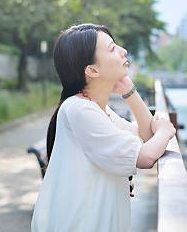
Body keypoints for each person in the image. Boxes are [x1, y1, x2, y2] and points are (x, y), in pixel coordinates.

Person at [31, 23, 176, 232]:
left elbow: (146, 137)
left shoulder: (97, 109)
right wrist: (165, 130)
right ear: (92, 70)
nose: (123, 51)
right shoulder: (79, 110)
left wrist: (129, 91)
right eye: (112, 48)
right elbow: (145, 157)